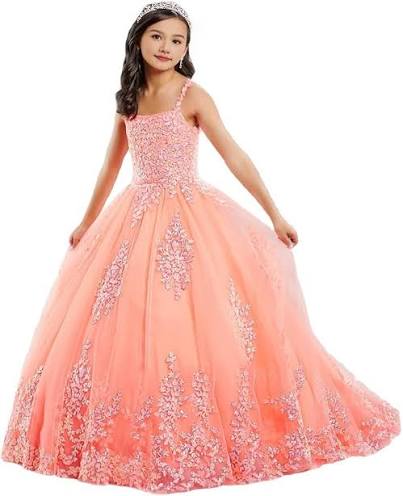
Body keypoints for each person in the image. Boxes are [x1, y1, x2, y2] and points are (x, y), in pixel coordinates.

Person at [1, 1, 400, 494]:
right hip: (133, 218)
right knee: (124, 322)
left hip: (189, 218)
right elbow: (110, 165)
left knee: (199, 321)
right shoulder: (128, 98)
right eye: (157, 37)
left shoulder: (193, 95)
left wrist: (275, 213)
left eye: (178, 40)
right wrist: (86, 222)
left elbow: (234, 154)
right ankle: (130, 436)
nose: (167, 47)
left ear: (187, 49)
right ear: (138, 41)